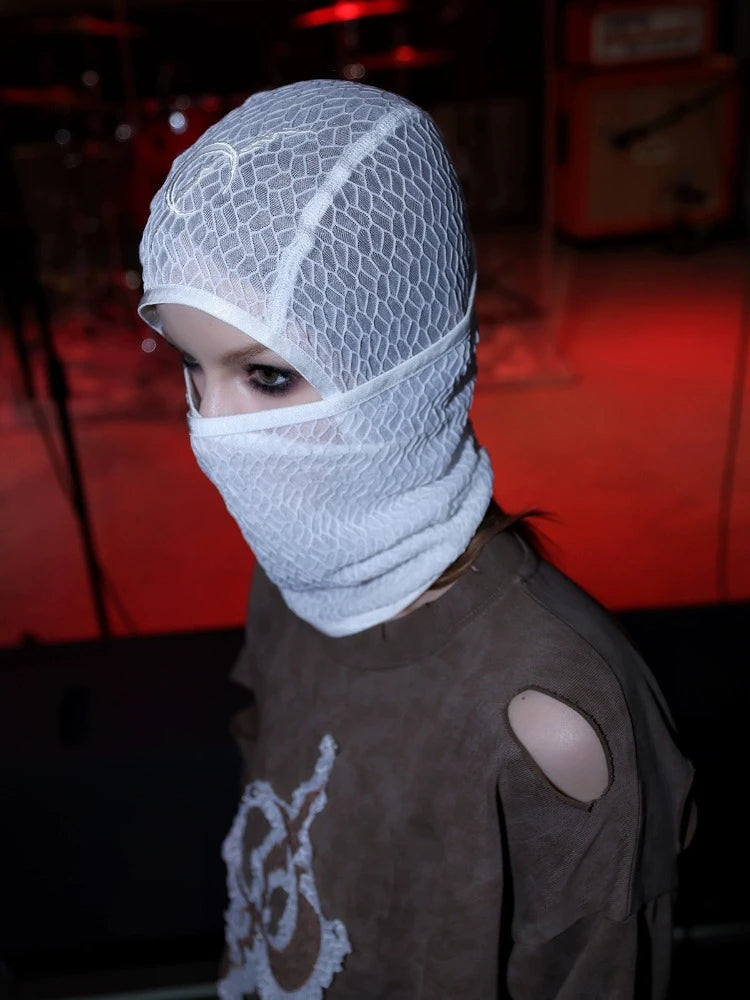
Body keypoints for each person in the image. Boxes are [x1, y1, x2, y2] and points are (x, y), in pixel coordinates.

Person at [137, 79, 695, 999]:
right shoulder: (291, 578)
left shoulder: (551, 713)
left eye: (268, 377)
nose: (212, 430)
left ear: (398, 365)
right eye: (193, 368)